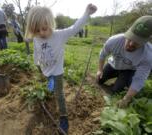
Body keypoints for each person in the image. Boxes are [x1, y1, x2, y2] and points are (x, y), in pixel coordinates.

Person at [25, 4, 97, 134]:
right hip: (45, 69)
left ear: (50, 24)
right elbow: (36, 51)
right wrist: (37, 65)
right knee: (50, 84)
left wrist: (87, 13)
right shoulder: (36, 38)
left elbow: (75, 28)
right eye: (36, 30)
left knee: (59, 95)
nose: (41, 33)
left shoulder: (59, 35)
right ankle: (50, 85)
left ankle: (63, 116)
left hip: (57, 71)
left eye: (44, 29)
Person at [96, 16, 152, 108]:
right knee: (99, 80)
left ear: (146, 41)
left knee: (116, 91)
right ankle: (119, 80)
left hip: (129, 70)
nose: (131, 44)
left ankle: (121, 82)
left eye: (137, 42)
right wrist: (99, 70)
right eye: (130, 38)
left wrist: (126, 98)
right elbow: (103, 55)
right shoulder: (114, 40)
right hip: (113, 65)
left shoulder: (148, 55)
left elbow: (139, 79)